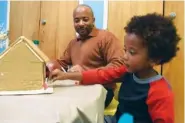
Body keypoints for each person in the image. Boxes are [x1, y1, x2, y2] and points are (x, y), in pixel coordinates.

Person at [49, 13, 180, 123]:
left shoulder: (160, 92)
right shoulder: (127, 72)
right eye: (125, 50)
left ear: (154, 59)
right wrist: (65, 75)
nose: (124, 57)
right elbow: (101, 75)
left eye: (132, 52)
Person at [46, 4, 124, 108]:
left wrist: (83, 73)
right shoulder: (73, 43)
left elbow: (117, 66)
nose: (81, 24)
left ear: (93, 20)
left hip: (102, 91)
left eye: (85, 19)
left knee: (70, 108)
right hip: (78, 88)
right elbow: (61, 63)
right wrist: (47, 65)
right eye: (77, 20)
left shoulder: (106, 38)